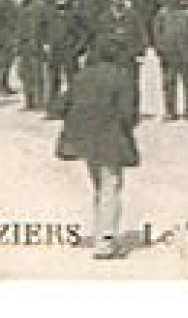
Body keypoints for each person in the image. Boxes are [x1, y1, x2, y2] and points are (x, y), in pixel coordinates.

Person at [55, 41, 140, 260]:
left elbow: (60, 106)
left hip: (84, 139)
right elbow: (128, 112)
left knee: (100, 187)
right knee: (111, 186)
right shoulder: (121, 77)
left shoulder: (81, 76)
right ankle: (106, 241)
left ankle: (100, 232)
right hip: (111, 137)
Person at [152, 0, 188, 121]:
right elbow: (157, 33)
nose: (173, 0)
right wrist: (160, 49)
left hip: (186, 52)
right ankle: (170, 110)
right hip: (169, 53)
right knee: (169, 83)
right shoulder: (162, 14)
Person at [13, 0, 49, 111]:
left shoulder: (40, 6)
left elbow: (46, 25)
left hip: (37, 44)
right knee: (25, 74)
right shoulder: (21, 7)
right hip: (24, 46)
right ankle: (29, 101)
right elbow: (18, 27)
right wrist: (16, 44)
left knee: (37, 74)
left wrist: (46, 43)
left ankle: (40, 102)